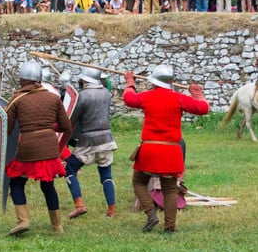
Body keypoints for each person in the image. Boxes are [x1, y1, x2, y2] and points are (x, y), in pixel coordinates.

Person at [123, 64, 209, 233]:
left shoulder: (147, 96)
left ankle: (151, 214)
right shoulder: (178, 98)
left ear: (154, 80)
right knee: (169, 189)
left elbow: (129, 98)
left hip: (149, 150)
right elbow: (203, 108)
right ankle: (170, 227)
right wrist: (197, 94)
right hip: (171, 151)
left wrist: (130, 82)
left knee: (139, 182)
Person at [5, 60, 73, 237]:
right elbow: (66, 126)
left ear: (22, 80)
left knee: (17, 182)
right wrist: (50, 127)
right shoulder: (53, 98)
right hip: (49, 148)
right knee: (48, 185)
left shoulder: (16, 99)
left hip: (27, 146)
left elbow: (7, 128)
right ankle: (57, 227)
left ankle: (24, 221)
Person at [64, 67, 118, 220]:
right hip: (106, 139)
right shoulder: (107, 94)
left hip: (88, 141)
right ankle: (111, 211)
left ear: (84, 79)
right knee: (106, 174)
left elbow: (71, 121)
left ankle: (79, 205)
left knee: (70, 170)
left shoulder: (83, 96)